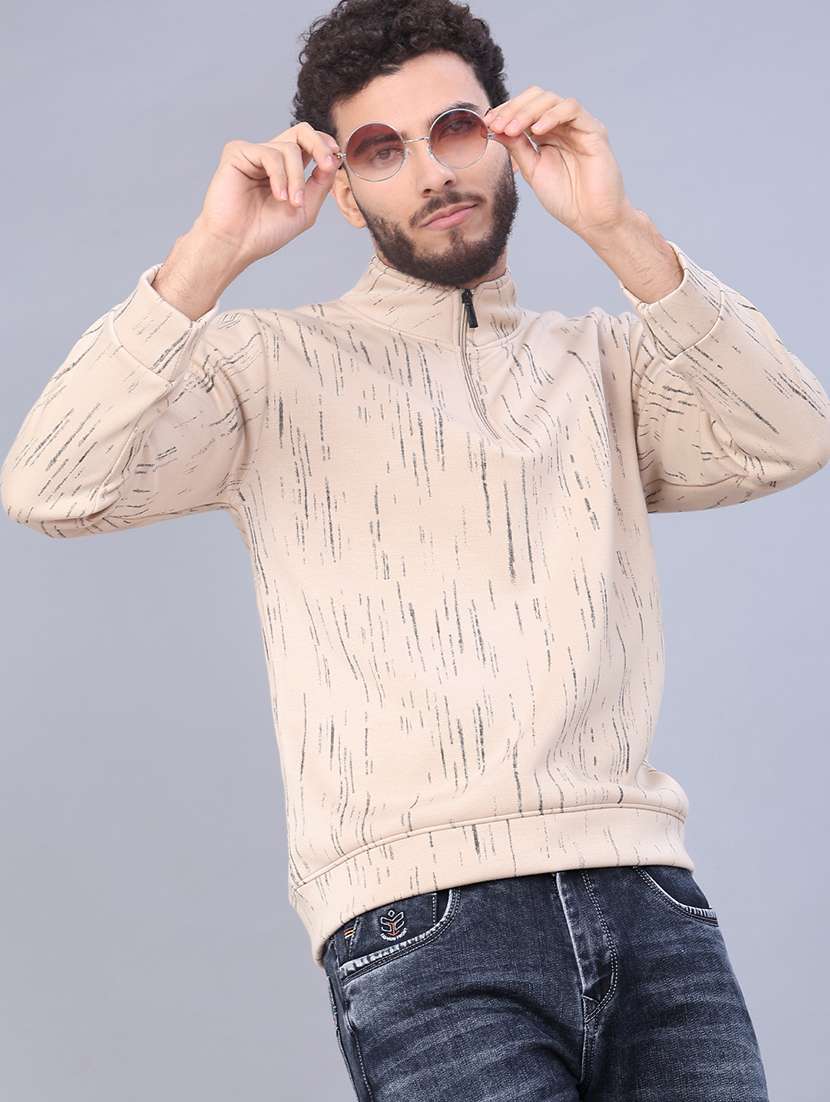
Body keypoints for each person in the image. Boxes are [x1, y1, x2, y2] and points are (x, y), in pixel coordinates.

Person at [3, 1, 828, 1097]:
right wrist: (208, 255)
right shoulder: (267, 369)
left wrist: (615, 228)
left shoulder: (606, 366)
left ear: (508, 135)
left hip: (649, 897)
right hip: (421, 924)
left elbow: (790, 433)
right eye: (382, 150)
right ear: (343, 191)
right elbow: (51, 484)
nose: (433, 172)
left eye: (456, 129)